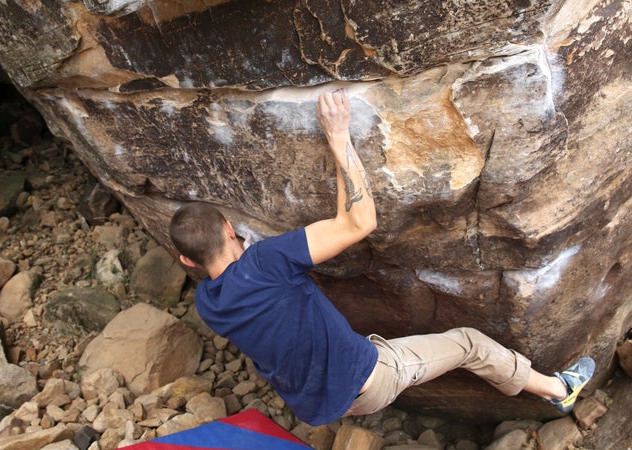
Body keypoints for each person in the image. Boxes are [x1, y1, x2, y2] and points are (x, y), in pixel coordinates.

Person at [169, 89, 595, 426]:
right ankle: (560, 391)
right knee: (470, 343)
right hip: (367, 381)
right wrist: (338, 136)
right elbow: (358, 222)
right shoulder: (266, 261)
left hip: (314, 407)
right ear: (230, 229)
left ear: (189, 263)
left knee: (377, 347)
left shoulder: (207, 304)